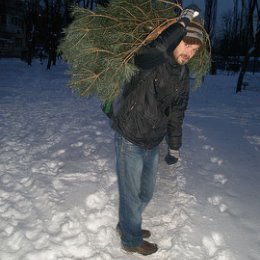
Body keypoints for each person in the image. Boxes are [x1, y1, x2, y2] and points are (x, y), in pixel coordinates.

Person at [111, 4, 206, 256]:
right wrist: (183, 21)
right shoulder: (151, 61)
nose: (189, 53)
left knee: (146, 193)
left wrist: (174, 145)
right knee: (131, 195)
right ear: (175, 40)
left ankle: (127, 224)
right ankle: (130, 240)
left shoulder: (182, 73)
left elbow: (177, 111)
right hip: (130, 136)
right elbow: (159, 48)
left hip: (153, 140)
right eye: (186, 45)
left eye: (195, 50)